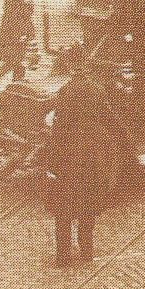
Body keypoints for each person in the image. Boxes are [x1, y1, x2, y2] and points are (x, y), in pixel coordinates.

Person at [43, 79, 110, 267]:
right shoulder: (98, 87)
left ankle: (63, 257)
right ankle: (87, 252)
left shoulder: (66, 91)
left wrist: (52, 167)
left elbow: (58, 131)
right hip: (91, 157)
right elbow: (108, 119)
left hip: (69, 159)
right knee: (88, 208)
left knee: (63, 211)